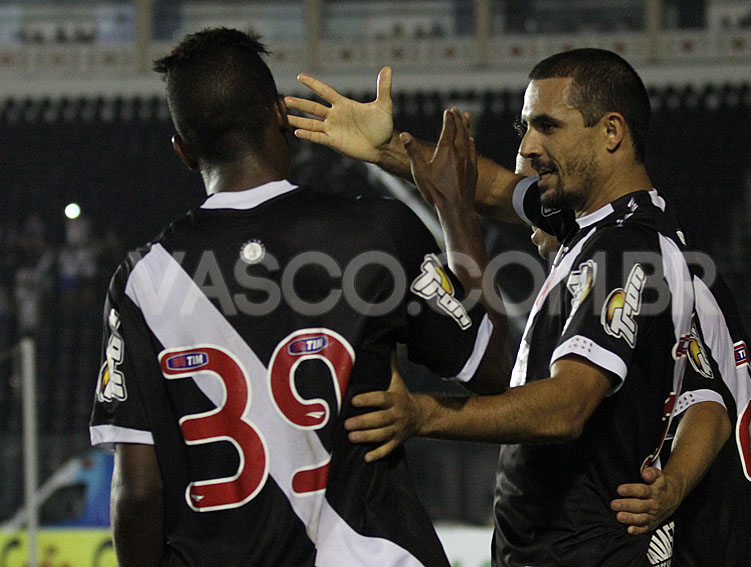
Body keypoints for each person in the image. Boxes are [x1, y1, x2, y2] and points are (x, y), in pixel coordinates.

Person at [285, 51, 751, 566]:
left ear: (612, 132)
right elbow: (748, 393)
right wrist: (386, 150)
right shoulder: (637, 235)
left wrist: (423, 414)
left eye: (547, 126)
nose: (529, 147)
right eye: (525, 128)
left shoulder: (622, 249)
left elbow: (567, 407)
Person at [88, 28, 508, 567]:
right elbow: (492, 368)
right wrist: (455, 208)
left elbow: (139, 492)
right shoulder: (377, 234)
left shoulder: (144, 280)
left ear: (184, 152)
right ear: (280, 115)